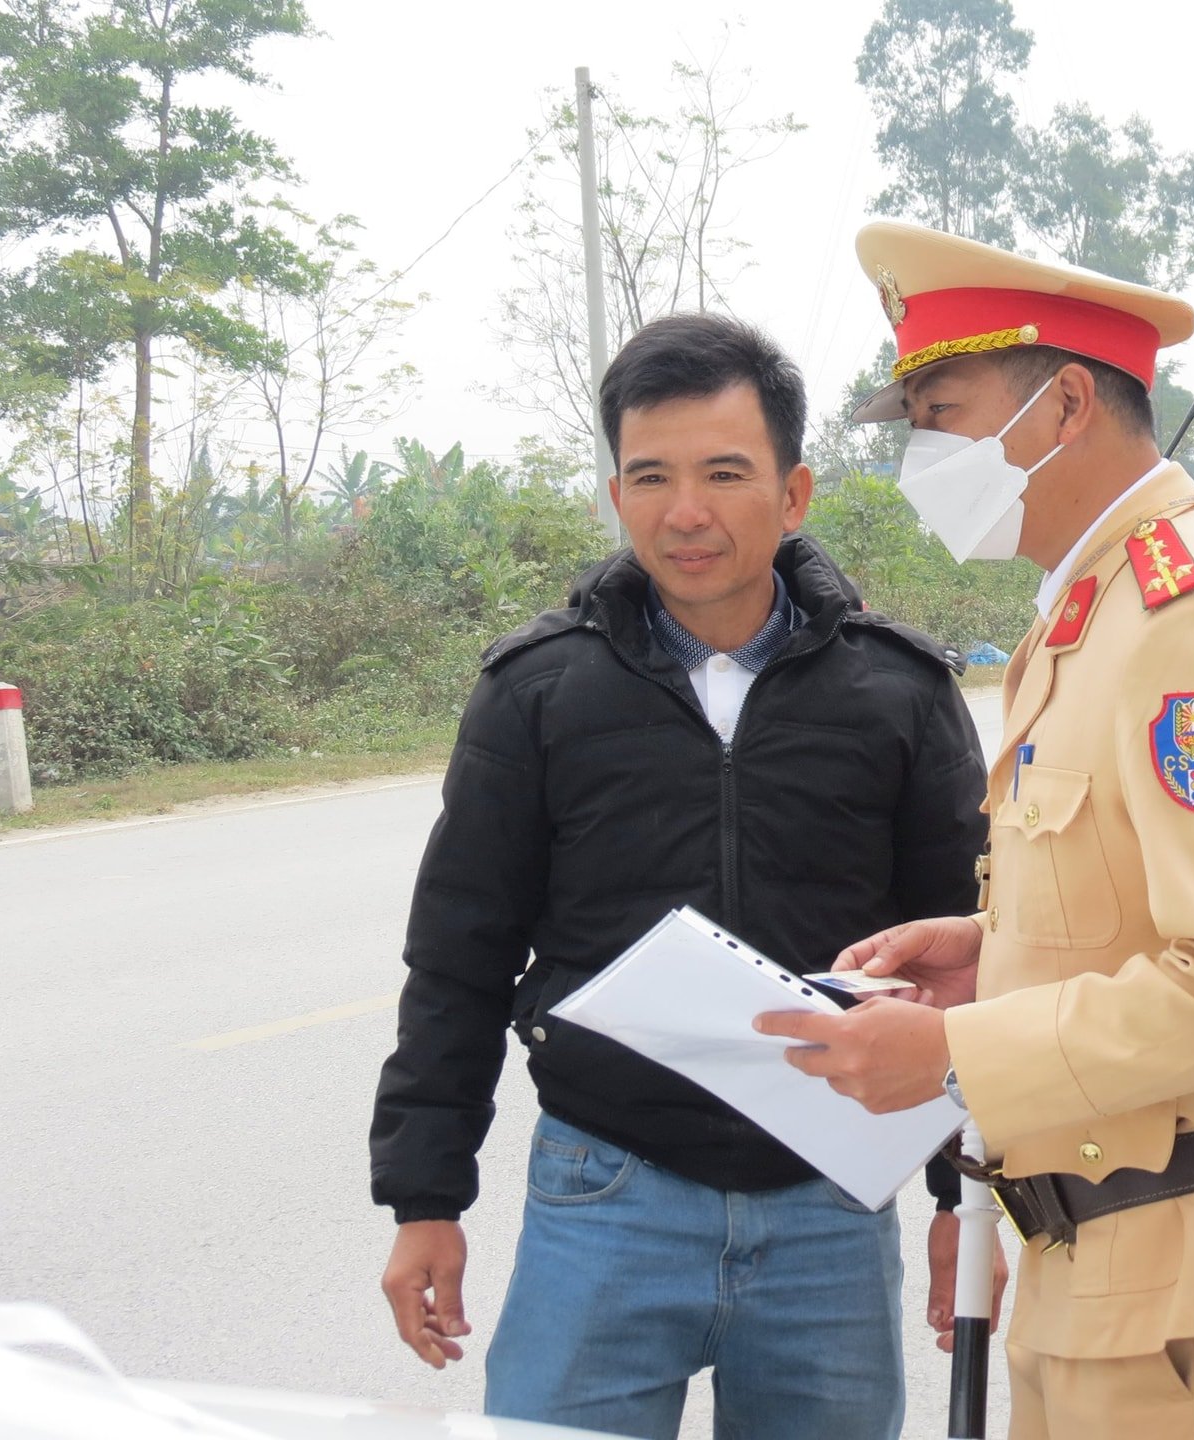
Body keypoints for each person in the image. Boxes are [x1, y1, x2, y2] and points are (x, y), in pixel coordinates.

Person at [755, 223, 1194, 1438]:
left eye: (944, 412)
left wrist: (956, 1058)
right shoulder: (1098, 606)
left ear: (1068, 403)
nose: (923, 452)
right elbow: (1138, 905)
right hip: (1110, 1269)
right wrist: (998, 950)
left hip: (1188, 1295)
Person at [369, 311, 995, 1440]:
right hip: (603, 1194)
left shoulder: (895, 693)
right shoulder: (538, 693)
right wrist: (426, 1200)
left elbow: (968, 958)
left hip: (831, 1209)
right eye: (649, 475)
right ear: (617, 496)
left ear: (794, 493)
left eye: (724, 472)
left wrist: (962, 1196)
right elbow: (456, 957)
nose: (685, 510)